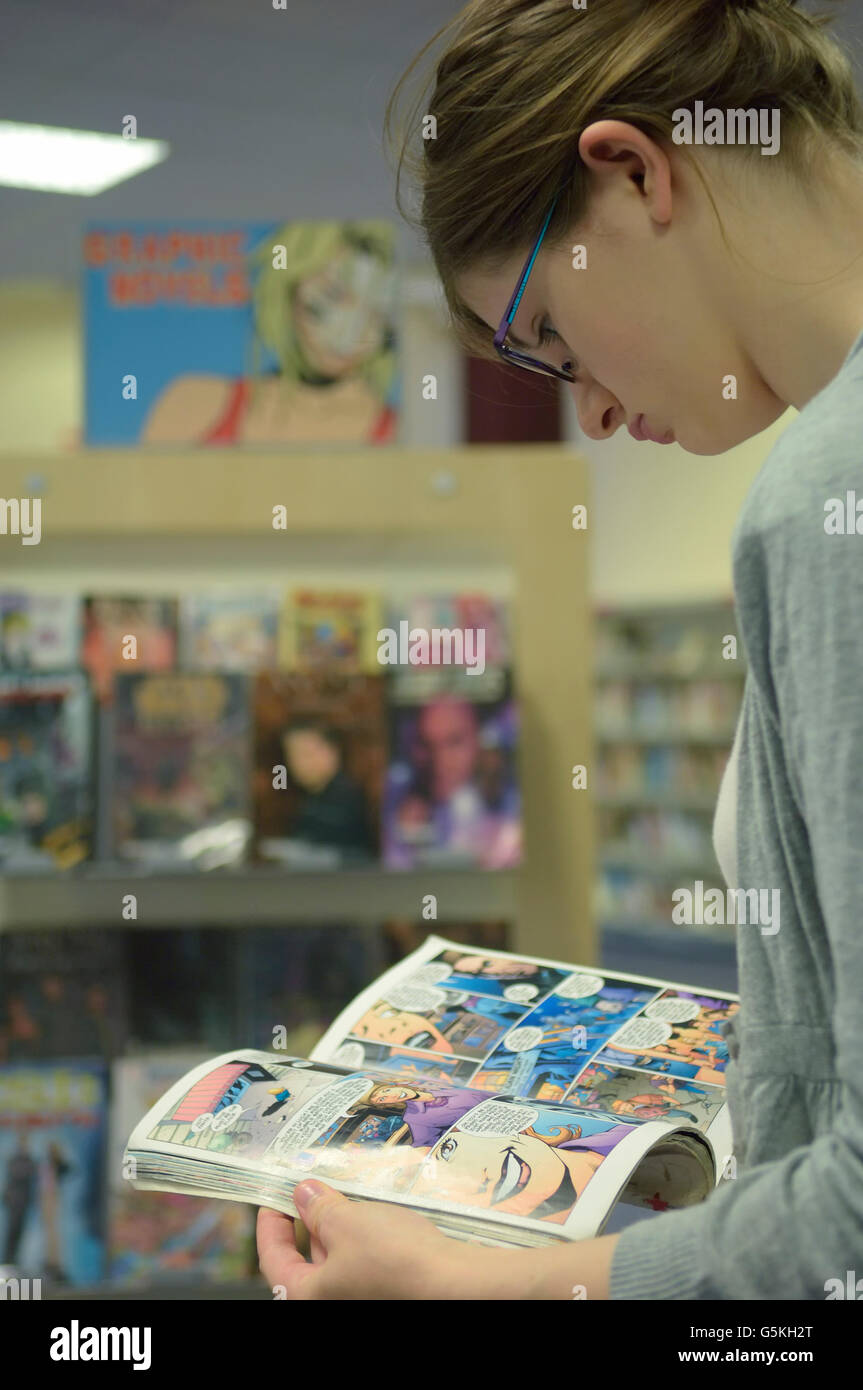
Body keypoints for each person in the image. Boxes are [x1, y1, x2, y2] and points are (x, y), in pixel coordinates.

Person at [258, 0, 863, 1299]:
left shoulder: (831, 499)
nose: (585, 403)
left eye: (546, 336)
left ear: (635, 169)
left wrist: (458, 1285)